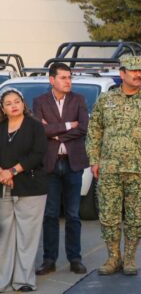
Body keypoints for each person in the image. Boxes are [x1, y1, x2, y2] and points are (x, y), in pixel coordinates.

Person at [86, 55, 141, 276]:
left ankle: (130, 258)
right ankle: (113, 257)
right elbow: (94, 131)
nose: (137, 74)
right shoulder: (106, 100)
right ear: (121, 73)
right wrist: (94, 160)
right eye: (132, 71)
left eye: (140, 71)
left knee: (136, 216)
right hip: (109, 169)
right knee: (109, 216)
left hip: (139, 168)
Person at [34, 63, 90, 277]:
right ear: (52, 80)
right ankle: (49, 260)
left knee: (73, 214)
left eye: (70, 77)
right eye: (64, 77)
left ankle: (75, 258)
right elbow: (40, 129)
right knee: (50, 214)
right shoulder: (40, 101)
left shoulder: (79, 100)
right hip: (49, 163)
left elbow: (83, 128)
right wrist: (67, 126)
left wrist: (54, 133)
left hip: (72, 162)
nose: (68, 81)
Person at [0, 89, 47, 292]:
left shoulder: (35, 126)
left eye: (17, 101)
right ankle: (3, 280)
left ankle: (24, 281)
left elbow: (37, 154)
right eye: (8, 103)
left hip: (31, 186)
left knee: (27, 237)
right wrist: (2, 174)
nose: (13, 105)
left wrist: (11, 171)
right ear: (3, 108)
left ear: (23, 104)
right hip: (3, 186)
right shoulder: (0, 127)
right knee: (4, 237)